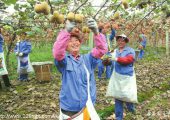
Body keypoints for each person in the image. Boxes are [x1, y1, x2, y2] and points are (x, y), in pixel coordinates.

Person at [53, 19, 107, 119]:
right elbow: (57, 53)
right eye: (70, 41)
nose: (74, 43)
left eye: (76, 40)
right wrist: (66, 32)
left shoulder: (88, 59)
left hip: (88, 105)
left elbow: (102, 49)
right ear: (65, 46)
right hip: (70, 108)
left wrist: (96, 32)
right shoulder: (64, 61)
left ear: (80, 43)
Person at [106, 34, 137, 120]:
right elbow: (109, 62)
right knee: (118, 97)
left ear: (126, 41)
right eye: (119, 40)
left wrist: (116, 59)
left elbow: (129, 60)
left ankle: (131, 109)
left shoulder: (130, 50)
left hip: (127, 77)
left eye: (122, 40)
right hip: (117, 77)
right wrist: (107, 60)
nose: (120, 42)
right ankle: (119, 117)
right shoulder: (114, 51)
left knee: (127, 96)